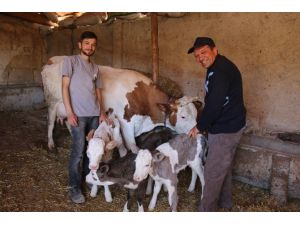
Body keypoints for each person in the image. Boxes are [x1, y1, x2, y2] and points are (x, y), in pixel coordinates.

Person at [187, 37, 246, 211]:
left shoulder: (220, 71)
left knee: (212, 173)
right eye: (197, 55)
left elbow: (214, 104)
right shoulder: (216, 66)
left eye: (203, 52)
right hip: (228, 123)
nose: (200, 58)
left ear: (215, 50)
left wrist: (199, 127)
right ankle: (225, 204)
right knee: (223, 167)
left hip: (226, 129)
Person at [62, 31, 109, 204]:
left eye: (93, 44)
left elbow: (98, 92)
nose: (90, 47)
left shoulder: (96, 68)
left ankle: (88, 178)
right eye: (87, 43)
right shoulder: (70, 61)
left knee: (92, 151)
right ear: (80, 44)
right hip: (78, 115)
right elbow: (65, 87)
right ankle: (74, 187)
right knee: (78, 151)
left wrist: (102, 112)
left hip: (94, 116)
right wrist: (69, 112)